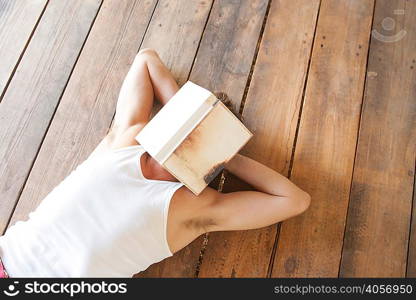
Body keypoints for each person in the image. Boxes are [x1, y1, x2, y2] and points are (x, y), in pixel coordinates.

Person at [0, 49, 310, 277]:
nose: (185, 138)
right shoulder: (125, 141)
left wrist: (229, 157)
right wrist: (183, 110)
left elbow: (295, 200)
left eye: (199, 139)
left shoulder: (196, 209)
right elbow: (145, 60)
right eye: (184, 126)